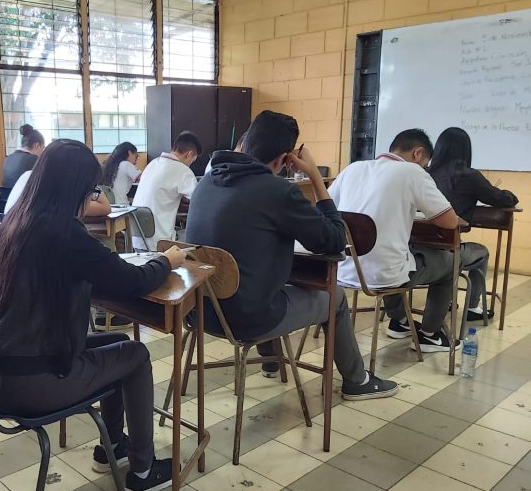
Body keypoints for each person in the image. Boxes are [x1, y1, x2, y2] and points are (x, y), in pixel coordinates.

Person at [0, 139, 187, 491]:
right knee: (136, 356)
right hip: (33, 382)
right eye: (91, 191)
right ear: (75, 189)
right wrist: (166, 260)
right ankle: (143, 472)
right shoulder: (64, 233)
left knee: (120, 346)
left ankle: (112, 447)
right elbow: (133, 281)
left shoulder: (18, 221)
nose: (92, 199)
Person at [186, 111, 398, 400]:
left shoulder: (206, 183)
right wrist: (315, 177)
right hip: (246, 320)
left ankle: (271, 361)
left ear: (245, 144)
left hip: (200, 311)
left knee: (260, 278)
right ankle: (357, 381)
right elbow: (334, 240)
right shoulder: (277, 191)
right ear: (284, 160)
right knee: (335, 298)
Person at [329, 129, 460, 352]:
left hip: (344, 270)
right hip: (384, 276)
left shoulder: (353, 168)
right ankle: (430, 335)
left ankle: (400, 322)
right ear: (417, 153)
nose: (424, 168)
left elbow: (327, 209)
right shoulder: (412, 172)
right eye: (425, 164)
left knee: (396, 254)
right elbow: (449, 221)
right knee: (450, 263)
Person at [429, 127, 518, 320]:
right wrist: (511, 195)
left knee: (448, 248)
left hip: (420, 249)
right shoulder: (468, 176)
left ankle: (448, 301)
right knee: (482, 253)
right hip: (449, 250)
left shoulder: (426, 173)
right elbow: (500, 199)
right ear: (465, 150)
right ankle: (472, 307)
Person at [132, 131, 200, 251]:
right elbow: (201, 200)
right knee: (197, 241)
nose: (190, 165)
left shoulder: (152, 164)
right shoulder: (182, 171)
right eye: (192, 161)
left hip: (136, 238)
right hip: (160, 244)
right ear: (189, 154)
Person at [5, 162, 111, 216]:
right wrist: (91, 184)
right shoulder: (60, 191)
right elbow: (105, 208)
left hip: (9, 242)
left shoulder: (28, 175)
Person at [2, 124, 45, 189]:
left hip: (8, 195)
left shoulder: (8, 158)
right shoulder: (33, 159)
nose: (43, 152)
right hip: (25, 195)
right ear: (37, 145)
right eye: (43, 148)